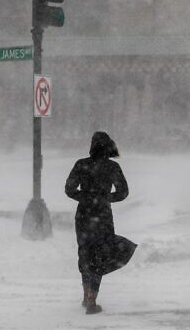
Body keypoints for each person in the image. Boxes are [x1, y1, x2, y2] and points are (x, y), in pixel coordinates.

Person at [65, 131, 129, 314]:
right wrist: (105, 198)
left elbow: (69, 189)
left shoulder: (81, 164)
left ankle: (86, 295)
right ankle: (93, 297)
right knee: (100, 255)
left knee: (85, 254)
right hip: (103, 217)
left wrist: (85, 198)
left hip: (84, 216)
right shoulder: (112, 167)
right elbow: (123, 192)